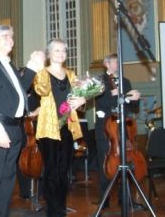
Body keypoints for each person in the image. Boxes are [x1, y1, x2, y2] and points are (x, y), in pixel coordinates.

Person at [0, 24, 45, 217]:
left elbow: (18, 90)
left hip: (14, 129)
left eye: (12, 37)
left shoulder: (9, 65)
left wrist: (32, 66)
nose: (11, 40)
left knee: (7, 181)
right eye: (6, 36)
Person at [34, 38, 86, 217]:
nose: (61, 53)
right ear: (49, 54)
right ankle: (52, 211)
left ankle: (60, 210)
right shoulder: (42, 73)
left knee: (64, 171)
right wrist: (40, 68)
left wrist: (82, 100)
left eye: (64, 50)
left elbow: (79, 102)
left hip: (68, 127)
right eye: (57, 50)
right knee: (51, 171)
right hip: (49, 128)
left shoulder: (72, 75)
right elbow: (42, 91)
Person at [94, 53, 140, 208]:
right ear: (106, 64)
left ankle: (124, 198)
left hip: (122, 129)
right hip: (105, 129)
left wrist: (134, 99)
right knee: (106, 164)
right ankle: (104, 199)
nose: (116, 65)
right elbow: (101, 102)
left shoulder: (125, 81)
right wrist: (116, 96)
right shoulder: (100, 81)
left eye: (118, 62)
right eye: (113, 62)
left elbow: (132, 108)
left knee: (126, 163)